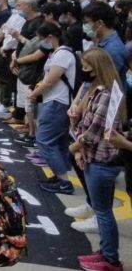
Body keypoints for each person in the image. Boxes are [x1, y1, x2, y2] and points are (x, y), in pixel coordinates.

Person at [69, 48, 125, 271]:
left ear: (97, 69)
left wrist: (74, 147)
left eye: (86, 68)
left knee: (103, 212)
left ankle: (110, 259)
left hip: (102, 160)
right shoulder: (100, 91)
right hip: (95, 158)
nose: (83, 72)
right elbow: (84, 125)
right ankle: (105, 252)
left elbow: (92, 133)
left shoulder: (106, 95)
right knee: (103, 210)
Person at [28, 22, 77, 194]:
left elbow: (51, 80)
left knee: (44, 139)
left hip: (58, 102)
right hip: (54, 100)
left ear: (50, 37)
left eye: (43, 39)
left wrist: (35, 93)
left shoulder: (63, 54)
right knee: (57, 141)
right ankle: (60, 176)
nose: (42, 43)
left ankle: (64, 182)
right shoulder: (56, 53)